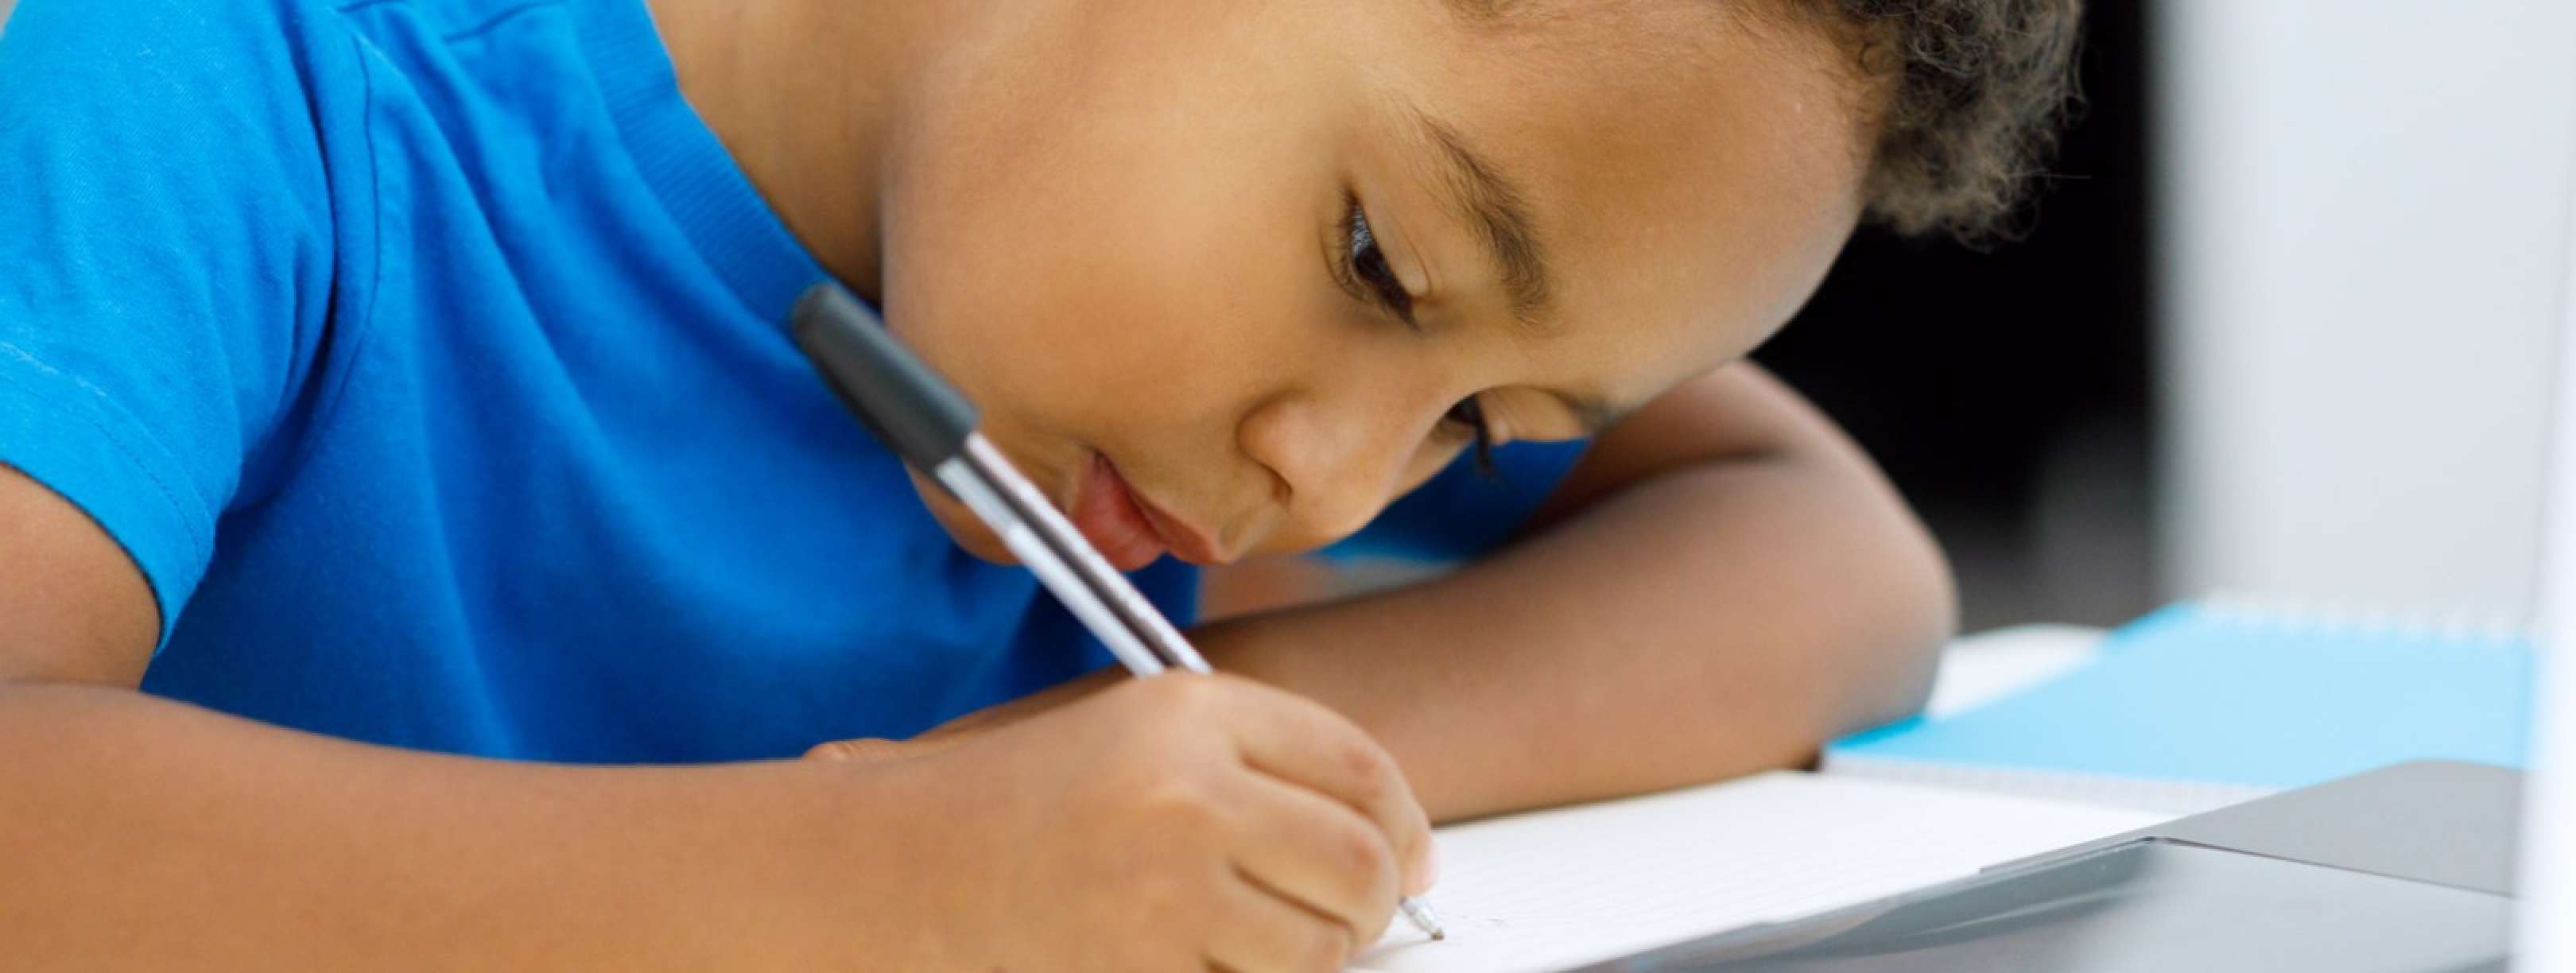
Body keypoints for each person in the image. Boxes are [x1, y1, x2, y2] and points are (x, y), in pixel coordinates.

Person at [0, 0, 2081, 967]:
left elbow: (1828, 557)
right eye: (1381, 266)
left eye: (1478, 431)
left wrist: (1196, 776)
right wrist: (902, 877)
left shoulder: (1143, 410)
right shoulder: (229, 80)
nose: (1333, 491)